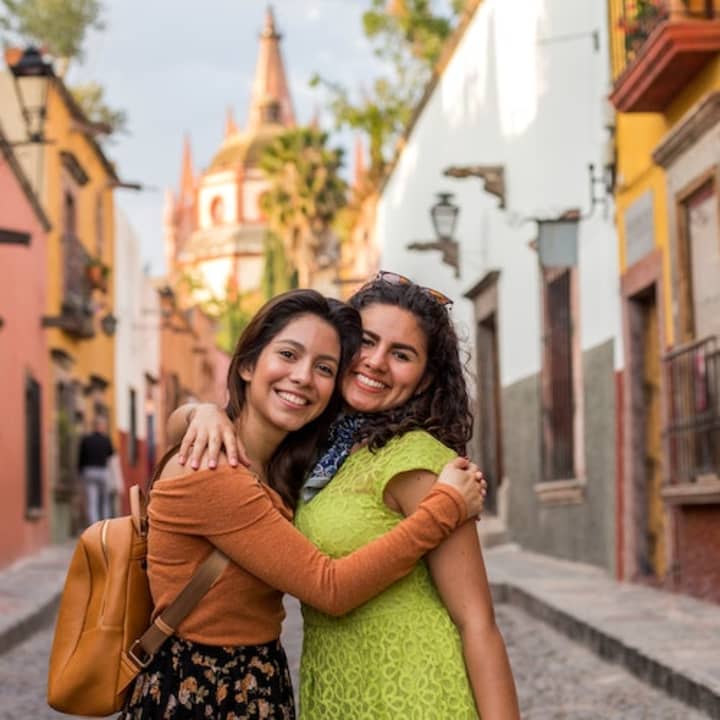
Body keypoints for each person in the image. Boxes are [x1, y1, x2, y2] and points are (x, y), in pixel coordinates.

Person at [123, 289, 486, 720]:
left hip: (251, 681)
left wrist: (197, 413)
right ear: (246, 365)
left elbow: (174, 429)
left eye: (324, 368)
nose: (302, 377)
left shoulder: (281, 462)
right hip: (203, 692)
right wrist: (444, 508)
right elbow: (329, 588)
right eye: (288, 355)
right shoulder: (215, 472)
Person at [77, 415, 115, 526]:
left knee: (92, 501)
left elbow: (81, 457)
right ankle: (105, 527)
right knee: (104, 501)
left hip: (88, 472)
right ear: (102, 426)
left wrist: (80, 472)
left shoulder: (86, 439)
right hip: (103, 472)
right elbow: (111, 455)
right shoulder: (106, 440)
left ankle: (94, 527)